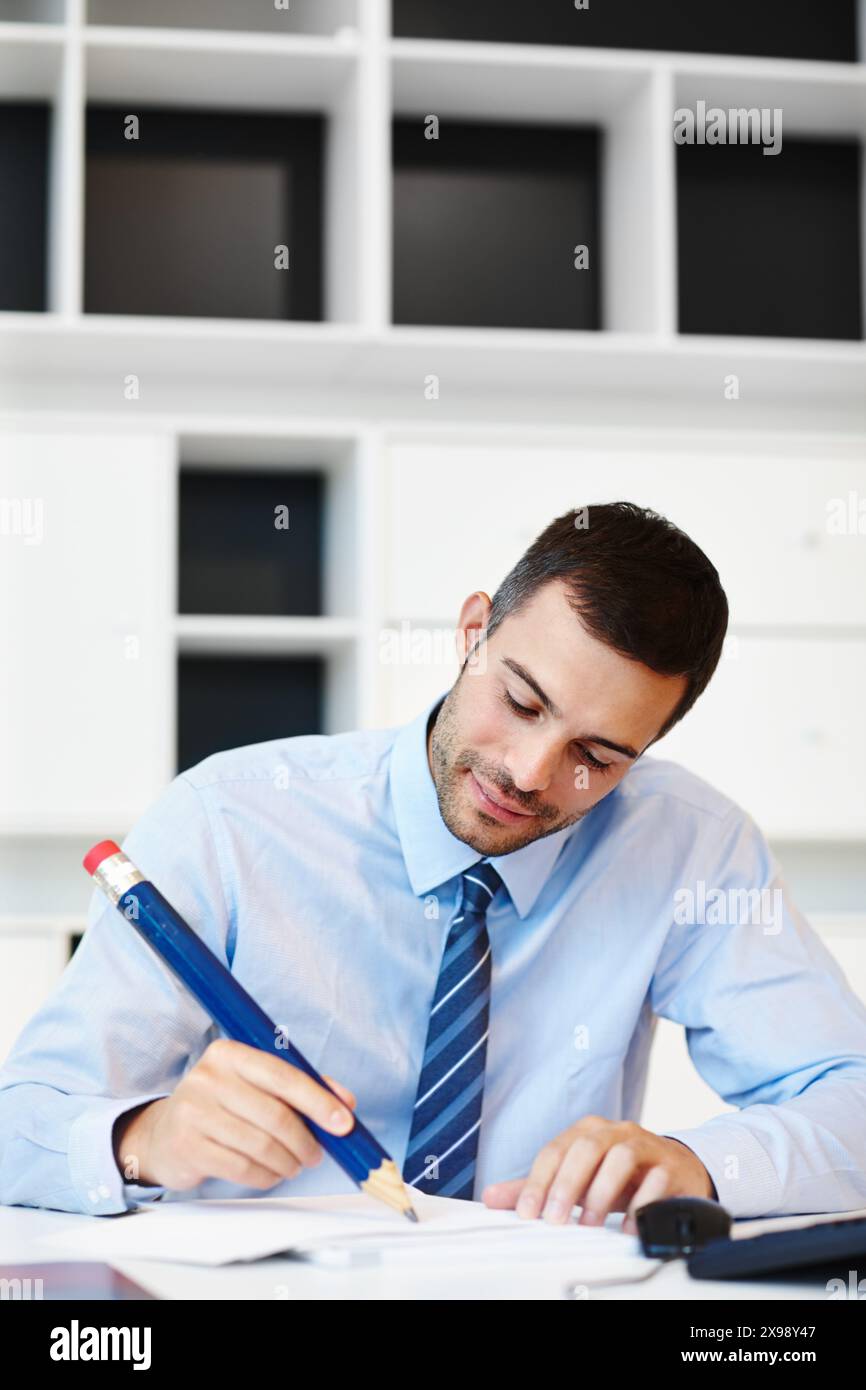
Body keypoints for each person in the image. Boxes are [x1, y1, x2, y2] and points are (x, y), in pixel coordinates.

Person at [2, 502, 865, 1230]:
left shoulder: (690, 848)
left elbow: (851, 1103)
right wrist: (141, 1138)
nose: (530, 774)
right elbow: (19, 1125)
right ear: (472, 632)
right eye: (521, 701)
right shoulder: (230, 818)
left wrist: (695, 1164)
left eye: (596, 756)